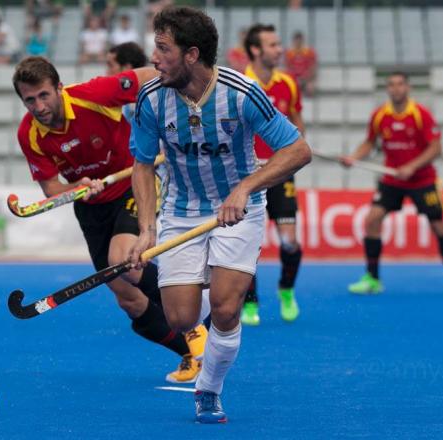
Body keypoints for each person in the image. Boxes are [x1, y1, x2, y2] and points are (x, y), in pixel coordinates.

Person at [129, 6, 311, 423]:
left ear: (191, 54)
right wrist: (146, 228)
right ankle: (207, 279)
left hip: (239, 210)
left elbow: (298, 149)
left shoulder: (242, 93)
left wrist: (245, 187)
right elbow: (142, 163)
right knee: (181, 317)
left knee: (228, 310)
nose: (153, 58)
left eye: (162, 49)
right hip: (180, 212)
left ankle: (208, 390)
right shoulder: (151, 100)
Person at [13, 56, 207, 383]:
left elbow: (147, 75)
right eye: (29, 100)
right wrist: (77, 187)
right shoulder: (29, 134)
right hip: (90, 208)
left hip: (132, 185)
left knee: (125, 263)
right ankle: (190, 354)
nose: (38, 106)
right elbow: (51, 187)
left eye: (44, 95)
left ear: (59, 88)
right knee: (128, 299)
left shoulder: (94, 94)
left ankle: (196, 317)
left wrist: (185, 103)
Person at [341, 72, 443, 296]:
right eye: (391, 85)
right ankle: (372, 278)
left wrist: (412, 166)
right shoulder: (380, 116)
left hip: (423, 180)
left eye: (400, 84)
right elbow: (370, 142)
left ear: (408, 87)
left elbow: (436, 148)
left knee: (438, 226)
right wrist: (354, 157)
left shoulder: (421, 115)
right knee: (373, 219)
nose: (395, 88)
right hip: (392, 179)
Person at [238, 24, 305, 326]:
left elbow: (297, 126)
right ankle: (250, 302)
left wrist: (290, 152)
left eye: (279, 44)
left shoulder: (288, 83)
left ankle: (286, 291)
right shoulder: (239, 84)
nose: (280, 50)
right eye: (274, 45)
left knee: (290, 243)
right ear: (256, 50)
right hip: (247, 176)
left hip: (280, 173)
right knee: (245, 245)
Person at [284, 31, 317, 97]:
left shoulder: (309, 52)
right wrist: (295, 78)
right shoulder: (289, 53)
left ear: (302, 41)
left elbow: (312, 67)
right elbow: (288, 68)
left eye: (300, 41)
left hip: (306, 79)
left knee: (310, 87)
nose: (298, 43)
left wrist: (309, 80)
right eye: (296, 41)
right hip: (294, 78)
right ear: (293, 41)